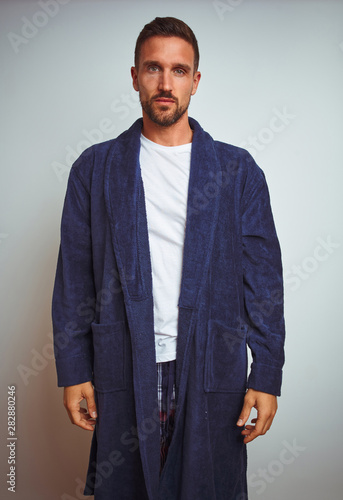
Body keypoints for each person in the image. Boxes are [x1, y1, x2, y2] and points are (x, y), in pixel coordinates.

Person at [52, 16, 285, 500]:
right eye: (153, 68)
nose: (165, 83)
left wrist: (266, 373)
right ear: (134, 76)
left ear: (195, 81)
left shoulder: (237, 171)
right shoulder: (95, 170)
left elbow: (264, 283)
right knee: (127, 487)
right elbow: (73, 277)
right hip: (122, 360)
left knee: (208, 487)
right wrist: (73, 369)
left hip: (208, 365)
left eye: (179, 71)